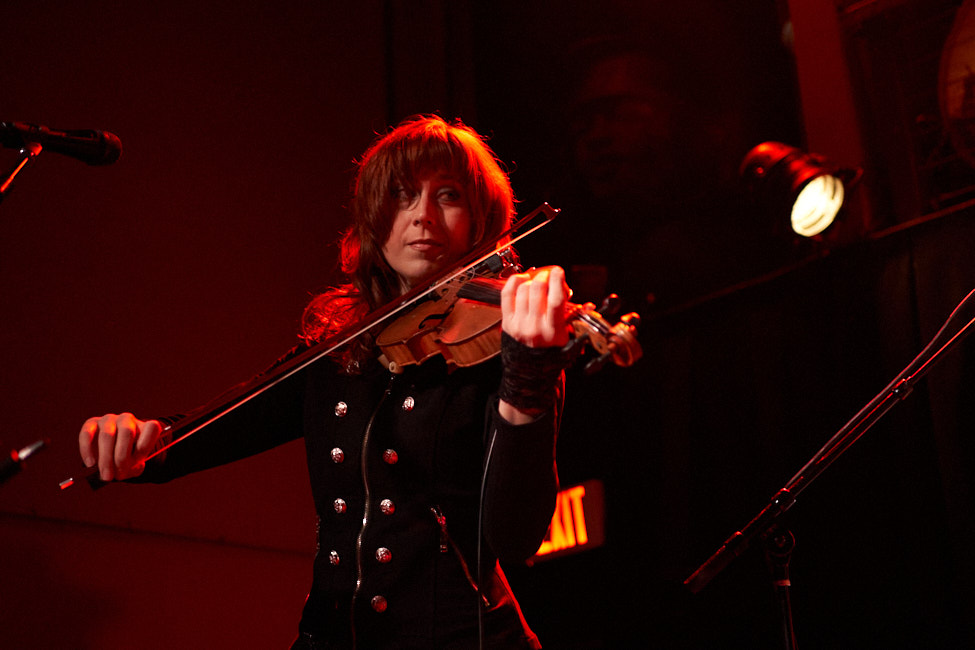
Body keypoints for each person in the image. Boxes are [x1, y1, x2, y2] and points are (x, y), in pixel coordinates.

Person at [78, 115, 572, 649]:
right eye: (402, 196)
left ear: (480, 221)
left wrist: (527, 376)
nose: (422, 216)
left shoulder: (504, 348)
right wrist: (138, 441)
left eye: (447, 195)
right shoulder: (343, 347)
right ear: (373, 220)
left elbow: (517, 536)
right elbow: (223, 424)